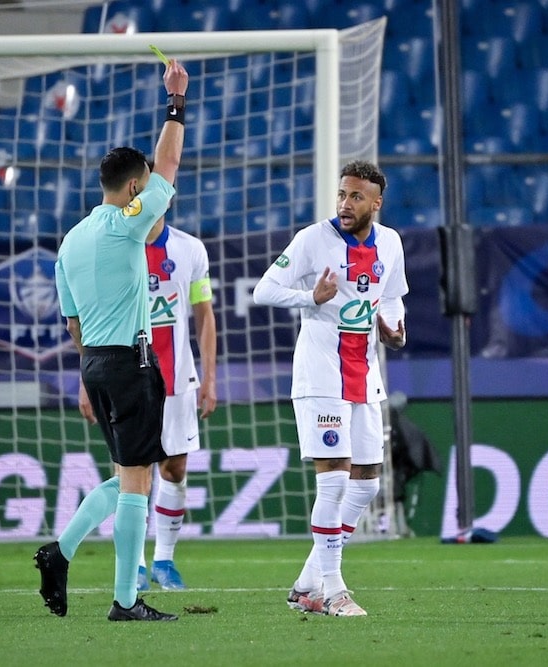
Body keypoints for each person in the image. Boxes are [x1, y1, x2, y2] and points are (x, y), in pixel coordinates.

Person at [34, 57, 188, 622]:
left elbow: (72, 324)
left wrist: (88, 373)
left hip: (96, 364)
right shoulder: (126, 220)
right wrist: (175, 101)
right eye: (144, 189)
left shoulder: (69, 243)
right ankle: (125, 601)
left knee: (130, 474)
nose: (152, 197)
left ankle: (61, 551)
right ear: (130, 188)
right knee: (137, 485)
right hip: (130, 362)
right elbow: (167, 164)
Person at [252, 160, 408, 616]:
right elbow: (264, 289)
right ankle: (334, 589)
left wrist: (396, 330)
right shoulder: (312, 240)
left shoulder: (391, 243)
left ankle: (306, 583)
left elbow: (394, 296)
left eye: (356, 196)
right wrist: (309, 298)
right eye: (342, 194)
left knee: (366, 483)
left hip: (364, 373)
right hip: (321, 373)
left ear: (376, 204)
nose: (345, 203)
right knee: (335, 478)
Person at [70, 211, 217, 592]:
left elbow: (204, 315)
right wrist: (86, 380)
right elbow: (87, 319)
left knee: (174, 470)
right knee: (127, 474)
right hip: (127, 375)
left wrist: (209, 377)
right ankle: (133, 565)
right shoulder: (114, 248)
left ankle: (164, 560)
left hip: (177, 378)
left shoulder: (190, 250)